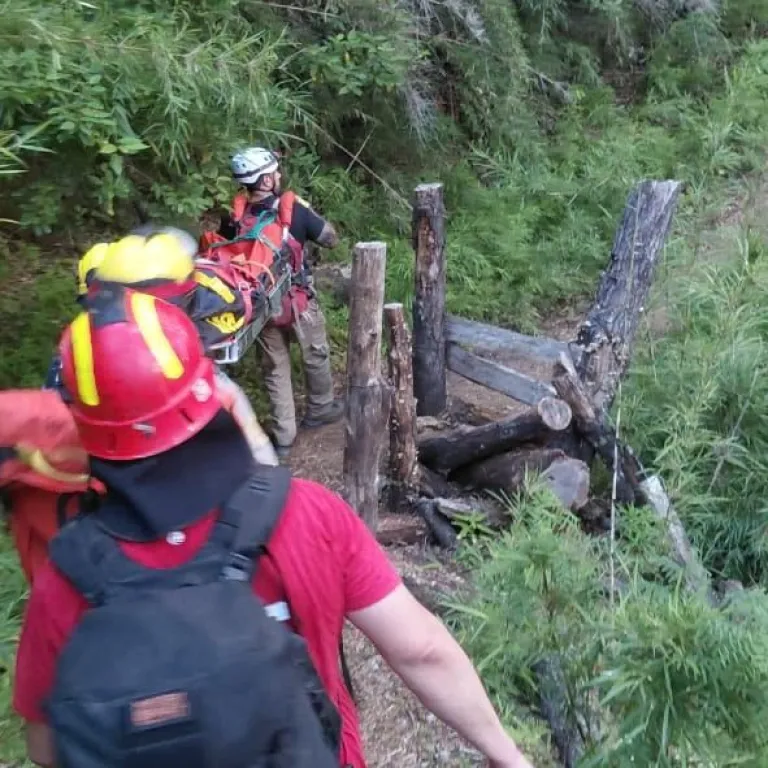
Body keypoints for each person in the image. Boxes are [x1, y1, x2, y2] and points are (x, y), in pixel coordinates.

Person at [14, 289, 534, 768]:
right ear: (207, 388)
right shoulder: (306, 514)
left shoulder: (71, 572)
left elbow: (46, 745)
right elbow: (420, 650)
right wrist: (504, 754)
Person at [218, 147, 344, 459]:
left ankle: (284, 435)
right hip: (299, 300)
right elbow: (331, 238)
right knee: (315, 354)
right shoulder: (293, 209)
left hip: (260, 307)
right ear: (264, 180)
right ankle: (321, 408)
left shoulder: (234, 218)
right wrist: (309, 214)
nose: (278, 175)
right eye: (274, 172)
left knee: (275, 368)